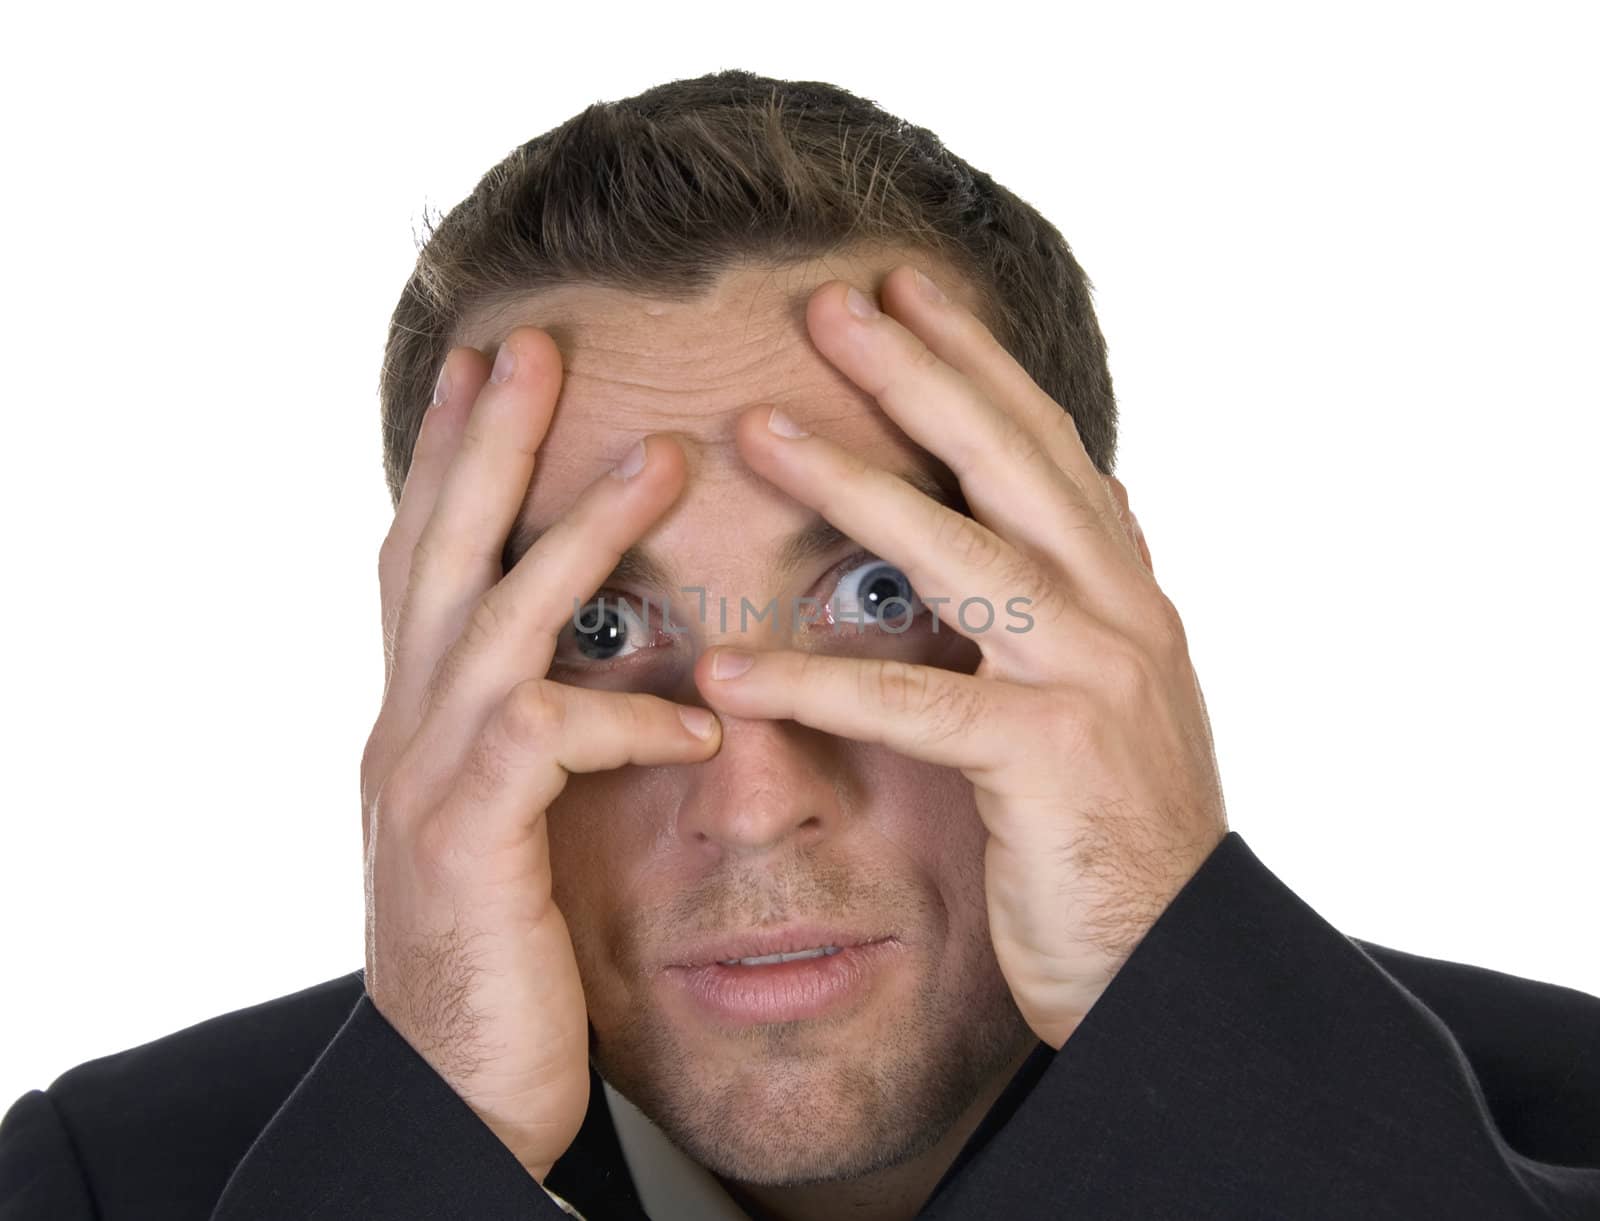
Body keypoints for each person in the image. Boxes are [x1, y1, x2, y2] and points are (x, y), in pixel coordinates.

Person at [2, 69, 1597, 1221]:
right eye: (598, 621)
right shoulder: (103, 1181)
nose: (753, 799)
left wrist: (1184, 1005)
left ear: (1105, 615)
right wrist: (444, 1136)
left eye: (880, 593)